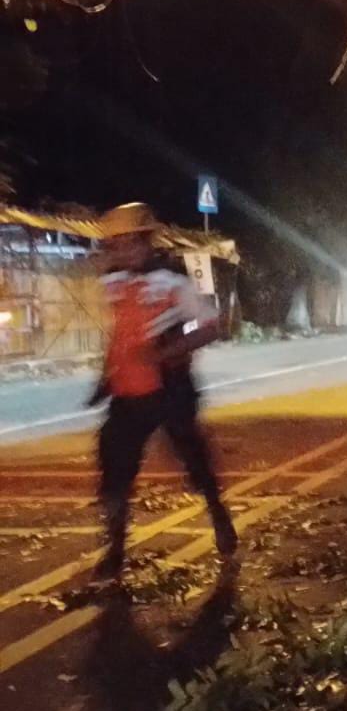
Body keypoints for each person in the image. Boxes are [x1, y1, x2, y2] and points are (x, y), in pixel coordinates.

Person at [89, 203, 237, 581]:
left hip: (170, 390)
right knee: (114, 469)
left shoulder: (174, 282)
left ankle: (218, 513)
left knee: (193, 459)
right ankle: (115, 550)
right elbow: (118, 335)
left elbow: (210, 326)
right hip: (127, 395)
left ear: (147, 242)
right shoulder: (111, 283)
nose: (122, 250)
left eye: (129, 242)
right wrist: (105, 378)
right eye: (115, 244)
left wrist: (166, 353)